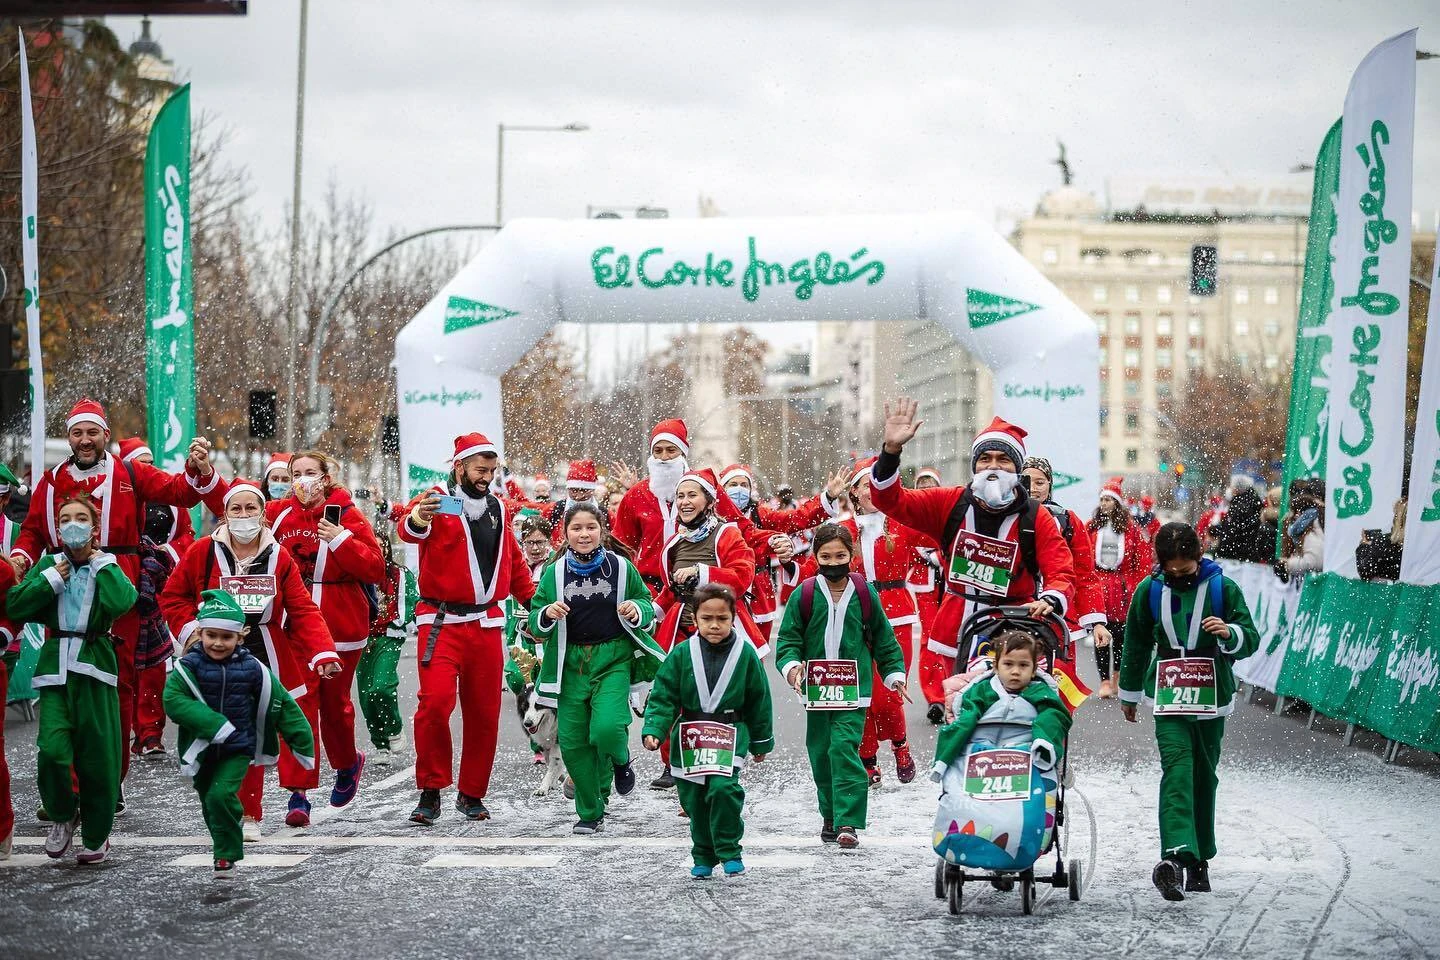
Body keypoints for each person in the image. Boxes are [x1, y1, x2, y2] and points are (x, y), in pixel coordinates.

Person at [10, 398, 222, 794]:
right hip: (63, 585)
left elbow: (179, 491)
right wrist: (22, 559)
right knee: (64, 678)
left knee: (118, 682)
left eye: (93, 432)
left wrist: (198, 468)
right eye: (77, 432)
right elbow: (34, 530)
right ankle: (70, 785)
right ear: (69, 437)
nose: (85, 440)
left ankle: (111, 778)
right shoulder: (53, 480)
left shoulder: (129, 472)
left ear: (106, 435)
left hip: (116, 583)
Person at [161, 479, 341, 834]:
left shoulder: (279, 556)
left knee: (251, 730)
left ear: (262, 513)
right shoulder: (202, 551)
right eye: (236, 509)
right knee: (220, 736)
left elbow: (302, 609)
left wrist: (322, 652)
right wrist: (195, 632)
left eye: (251, 509)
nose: (244, 516)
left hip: (266, 651)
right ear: (224, 515)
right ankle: (223, 800)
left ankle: (250, 813)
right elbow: (172, 597)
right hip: (214, 654)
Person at [868, 400, 1076, 707]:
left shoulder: (1036, 517)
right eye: (986, 459)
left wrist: (1050, 599)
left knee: (1017, 708)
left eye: (1004, 460)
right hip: (960, 629)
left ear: (1018, 469)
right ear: (974, 466)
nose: (993, 467)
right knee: (965, 710)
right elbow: (890, 501)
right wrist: (890, 452)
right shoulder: (950, 503)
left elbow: (1061, 569)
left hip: (1016, 626)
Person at [399, 433, 537, 825]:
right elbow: (410, 529)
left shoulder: (497, 506)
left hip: (487, 623)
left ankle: (471, 793)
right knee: (435, 705)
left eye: (492, 471)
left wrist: (533, 601)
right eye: (480, 470)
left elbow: (510, 557)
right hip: (441, 622)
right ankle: (430, 790)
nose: (487, 478)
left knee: (483, 713)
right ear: (458, 466)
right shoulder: (438, 498)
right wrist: (418, 518)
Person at [1120, 522, 1259, 901]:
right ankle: (1176, 857)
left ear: (1199, 558)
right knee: (1178, 767)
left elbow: (1251, 637)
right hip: (1167, 693)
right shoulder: (1148, 591)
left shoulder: (1222, 588)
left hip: (1212, 692)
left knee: (1204, 775)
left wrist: (1230, 633)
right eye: (1172, 571)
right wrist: (1129, 694)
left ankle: (1200, 860)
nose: (1179, 577)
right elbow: (1134, 642)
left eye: (1187, 570)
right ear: (1160, 564)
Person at [10, 493, 136, 864]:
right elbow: (16, 605)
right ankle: (63, 814)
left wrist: (102, 566)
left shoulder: (108, 564)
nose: (73, 525)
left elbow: (122, 602)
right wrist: (48, 580)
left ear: (95, 528)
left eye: (81, 518)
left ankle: (97, 833)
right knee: (51, 751)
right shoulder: (49, 564)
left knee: (98, 757)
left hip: (95, 667)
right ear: (58, 527)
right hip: (54, 670)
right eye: (65, 519)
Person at [529, 502, 663, 833]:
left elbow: (646, 603)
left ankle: (620, 761)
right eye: (577, 528)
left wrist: (637, 608)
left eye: (591, 527)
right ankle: (590, 811)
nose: (584, 534)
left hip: (613, 658)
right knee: (575, 742)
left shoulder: (620, 567)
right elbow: (534, 617)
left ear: (602, 530)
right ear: (566, 534)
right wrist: (546, 615)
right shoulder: (554, 572)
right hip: (569, 662)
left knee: (607, 728)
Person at [164, 589, 316, 877]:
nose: (218, 643)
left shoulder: (252, 668)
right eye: (211, 636)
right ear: (201, 633)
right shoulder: (188, 667)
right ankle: (228, 829)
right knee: (210, 801)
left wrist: (302, 742)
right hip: (201, 747)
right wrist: (213, 725)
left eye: (226, 637)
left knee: (219, 796)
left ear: (240, 637)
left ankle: (226, 854)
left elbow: (281, 702)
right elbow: (174, 700)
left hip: (237, 747)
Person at [775, 523, 908, 849]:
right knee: (821, 754)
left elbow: (883, 639)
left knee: (844, 749)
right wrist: (793, 670)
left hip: (854, 693)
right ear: (816, 557)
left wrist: (895, 676)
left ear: (851, 555)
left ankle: (849, 820)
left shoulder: (864, 593)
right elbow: (788, 641)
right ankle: (830, 816)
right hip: (817, 693)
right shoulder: (804, 594)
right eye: (826, 556)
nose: (833, 561)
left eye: (840, 555)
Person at [267, 450, 384, 811]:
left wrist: (339, 539)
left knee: (335, 706)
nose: (302, 481)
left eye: (310, 473)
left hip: (341, 621)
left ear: (325, 477)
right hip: (295, 621)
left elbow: (375, 567)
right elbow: (235, 506)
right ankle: (297, 792)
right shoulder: (278, 514)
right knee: (299, 702)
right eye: (295, 474)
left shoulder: (347, 514)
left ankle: (348, 763)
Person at [643, 584, 773, 878]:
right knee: (693, 799)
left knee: (723, 790)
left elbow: (759, 700)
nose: (715, 625)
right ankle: (702, 853)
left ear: (733, 617)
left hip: (730, 732)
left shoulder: (746, 655)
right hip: (690, 735)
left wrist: (761, 741)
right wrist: (654, 729)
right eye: (707, 618)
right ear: (695, 618)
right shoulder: (680, 654)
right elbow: (663, 696)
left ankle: (729, 849)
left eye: (722, 619)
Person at [649, 467, 766, 789]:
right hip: (682, 631)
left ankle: (724, 755)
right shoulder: (674, 542)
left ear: (709, 500)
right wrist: (649, 612)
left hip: (720, 632)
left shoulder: (727, 533)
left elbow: (742, 576)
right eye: (681, 496)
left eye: (692, 495)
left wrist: (702, 572)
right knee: (675, 697)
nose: (685, 502)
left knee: (716, 700)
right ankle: (672, 762)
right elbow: (670, 589)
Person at [836, 458, 937, 786]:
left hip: (898, 615)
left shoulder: (901, 524)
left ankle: (900, 745)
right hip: (856, 617)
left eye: (878, 485)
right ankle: (867, 759)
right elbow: (814, 566)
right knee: (861, 694)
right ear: (854, 491)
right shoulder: (843, 529)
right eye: (867, 485)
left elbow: (942, 537)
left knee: (888, 694)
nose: (873, 491)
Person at [719, 462, 845, 633]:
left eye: (744, 485)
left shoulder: (760, 514)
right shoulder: (713, 517)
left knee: (756, 654)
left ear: (750, 489)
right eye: (733, 485)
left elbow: (798, 518)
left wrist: (828, 496)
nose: (739, 489)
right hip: (721, 589)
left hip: (758, 593)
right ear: (722, 488)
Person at [930, 630, 1071, 781]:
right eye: (1008, 664)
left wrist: (1044, 742)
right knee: (964, 722)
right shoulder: (983, 689)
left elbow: (1056, 716)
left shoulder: (1040, 690)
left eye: (1023, 665)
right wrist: (944, 760)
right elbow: (964, 721)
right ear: (996, 667)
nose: (1015, 671)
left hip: (1028, 749)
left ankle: (1052, 758)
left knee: (1052, 715)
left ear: (1033, 671)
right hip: (983, 749)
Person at [1021, 456, 1109, 657]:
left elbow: (1084, 574)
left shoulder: (1068, 520)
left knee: (1059, 684)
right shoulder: (1005, 518)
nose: (1033, 488)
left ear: (1050, 485)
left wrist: (1096, 623)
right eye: (1027, 481)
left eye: (1040, 482)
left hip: (1059, 620)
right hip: (1014, 616)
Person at [1087, 479, 1152, 699]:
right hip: (1100, 587)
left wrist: (1137, 586)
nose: (1104, 503)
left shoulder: (1130, 529)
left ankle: (1117, 677)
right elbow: (1083, 555)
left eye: (1108, 499)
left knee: (1122, 636)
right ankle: (1104, 680)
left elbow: (1140, 560)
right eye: (1102, 499)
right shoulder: (1092, 526)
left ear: (1116, 502)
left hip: (1122, 590)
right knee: (1101, 634)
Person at [357, 529, 417, 766]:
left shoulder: (400, 574)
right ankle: (380, 743)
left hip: (389, 636)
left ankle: (394, 728)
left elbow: (410, 602)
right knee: (365, 695)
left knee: (381, 687)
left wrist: (399, 621)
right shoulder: (356, 573)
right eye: (374, 546)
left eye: (383, 546)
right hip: (362, 639)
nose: (379, 551)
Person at [613, 419, 693, 595]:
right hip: (650, 589)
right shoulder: (636, 495)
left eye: (671, 450)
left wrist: (767, 540)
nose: (664, 457)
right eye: (658, 451)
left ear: (683, 453)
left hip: (695, 587)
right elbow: (621, 546)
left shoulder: (704, 488)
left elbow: (737, 528)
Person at [1211, 481, 1275, 565]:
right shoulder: (1252, 503)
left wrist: (1220, 551)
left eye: (1232, 487)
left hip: (1236, 558)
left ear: (1237, 489)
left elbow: (1231, 533)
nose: (1230, 490)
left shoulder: (1239, 507)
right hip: (1248, 556)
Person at [1355, 498, 1406, 582]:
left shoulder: (1385, 543)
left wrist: (1364, 546)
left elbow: (1365, 571)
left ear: (1399, 520)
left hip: (1388, 592)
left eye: (1396, 514)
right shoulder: (1417, 545)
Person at [1280, 484, 1324, 579]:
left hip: (1313, 584)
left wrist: (1287, 564)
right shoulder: (1306, 528)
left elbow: (1314, 561)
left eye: (1292, 511)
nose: (1291, 516)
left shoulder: (1311, 531)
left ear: (1299, 513)